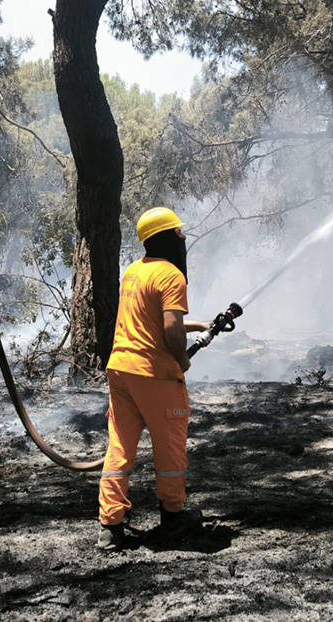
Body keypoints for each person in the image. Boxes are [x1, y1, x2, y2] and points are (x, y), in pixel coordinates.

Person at [98, 207, 209, 550]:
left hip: (121, 369)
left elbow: (150, 318)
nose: (183, 237)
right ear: (168, 236)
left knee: (120, 446)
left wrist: (201, 325)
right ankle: (173, 518)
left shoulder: (134, 271)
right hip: (154, 375)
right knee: (169, 446)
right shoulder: (171, 275)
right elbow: (171, 329)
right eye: (179, 232)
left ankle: (110, 526)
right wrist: (182, 359)